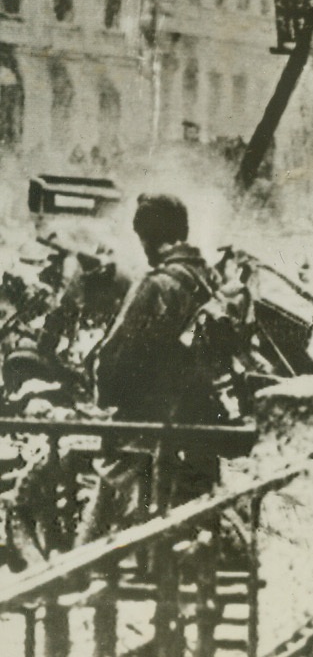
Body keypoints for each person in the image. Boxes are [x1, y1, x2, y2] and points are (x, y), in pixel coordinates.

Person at [79, 194, 220, 541]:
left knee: (104, 524)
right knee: (195, 520)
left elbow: (112, 359)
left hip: (145, 429)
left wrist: (106, 398)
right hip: (199, 428)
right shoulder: (211, 280)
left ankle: (81, 577)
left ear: (148, 238)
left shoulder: (156, 284)